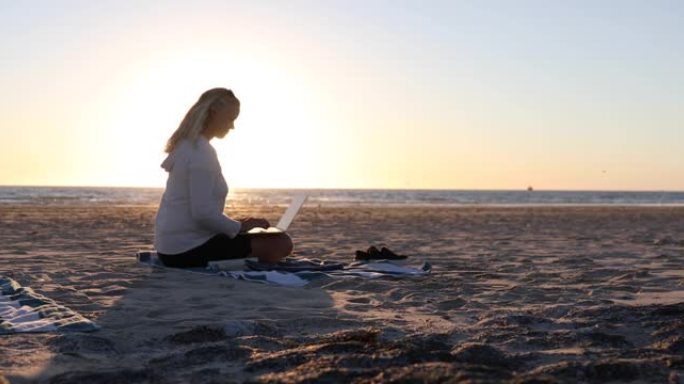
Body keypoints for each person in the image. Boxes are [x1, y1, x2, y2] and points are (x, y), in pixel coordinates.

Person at [154, 88, 293, 268]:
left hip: (170, 247)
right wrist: (239, 228)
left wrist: (239, 224)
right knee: (281, 243)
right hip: (185, 250)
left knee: (259, 234)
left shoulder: (187, 146)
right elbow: (202, 213)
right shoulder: (201, 153)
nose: (232, 126)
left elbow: (197, 210)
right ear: (214, 113)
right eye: (230, 119)